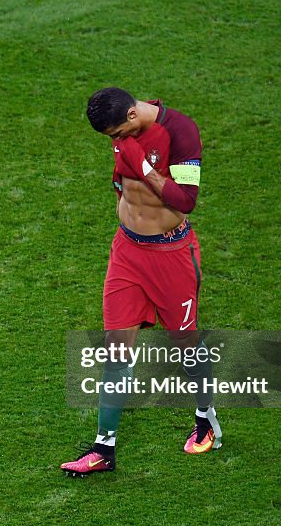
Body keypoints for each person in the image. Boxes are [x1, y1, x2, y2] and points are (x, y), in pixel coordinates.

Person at [61, 87, 221, 477]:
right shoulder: (124, 134)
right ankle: (104, 448)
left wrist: (143, 167)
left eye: (117, 135)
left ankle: (206, 421)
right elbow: (121, 182)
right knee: (116, 352)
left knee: (186, 346)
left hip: (171, 258)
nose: (116, 142)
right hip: (127, 254)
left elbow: (185, 200)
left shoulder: (180, 131)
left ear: (133, 115)